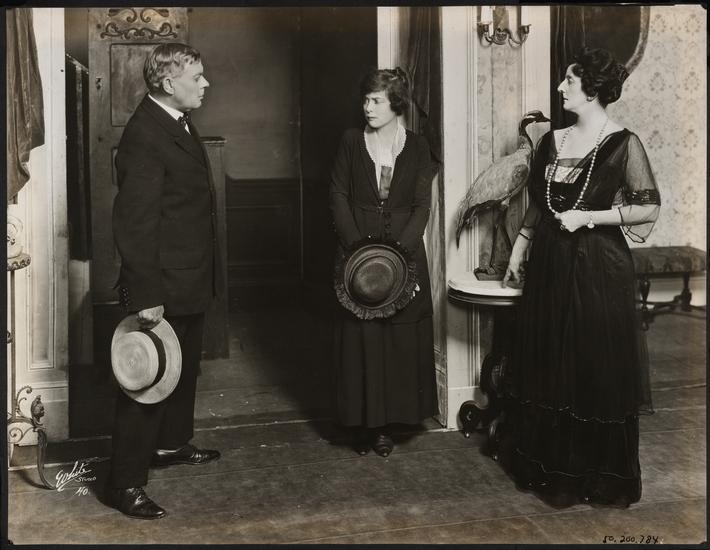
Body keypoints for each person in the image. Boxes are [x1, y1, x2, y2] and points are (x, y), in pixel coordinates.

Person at [499, 46, 661, 507]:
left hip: (598, 269)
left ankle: (593, 477)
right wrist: (521, 244)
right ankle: (553, 471)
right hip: (551, 262)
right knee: (552, 360)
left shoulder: (624, 143)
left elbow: (648, 207)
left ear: (591, 89)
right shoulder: (552, 141)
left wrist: (589, 217)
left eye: (569, 81)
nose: (560, 87)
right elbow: (540, 203)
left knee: (590, 364)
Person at [110, 43, 223, 519]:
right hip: (163, 284)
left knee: (182, 368)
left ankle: (171, 444)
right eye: (196, 77)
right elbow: (134, 223)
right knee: (147, 380)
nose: (205, 84)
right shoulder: (144, 134)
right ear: (168, 82)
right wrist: (147, 294)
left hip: (188, 276)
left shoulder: (177, 121)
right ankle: (125, 483)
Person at [329, 67, 439, 457]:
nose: (368, 107)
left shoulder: (418, 146)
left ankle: (389, 424)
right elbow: (338, 194)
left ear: (396, 103)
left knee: (396, 338)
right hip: (356, 255)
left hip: (405, 255)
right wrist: (358, 250)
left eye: (376, 100)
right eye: (365, 99)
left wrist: (400, 254)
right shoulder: (350, 141)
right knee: (363, 338)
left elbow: (422, 206)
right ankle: (366, 424)